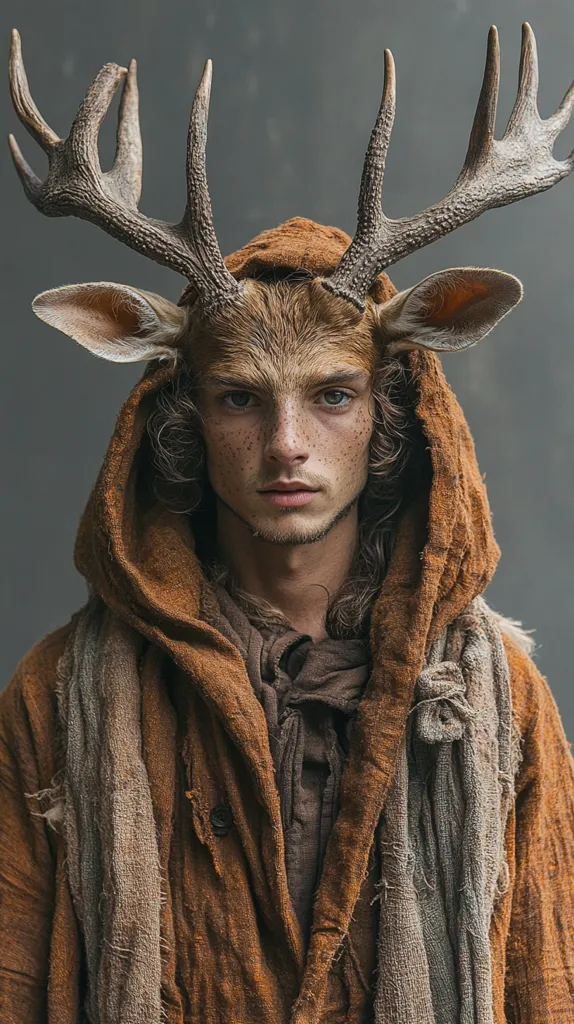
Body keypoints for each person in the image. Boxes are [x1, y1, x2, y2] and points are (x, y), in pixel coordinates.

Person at [2, 22, 573, 1024]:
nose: (286, 444)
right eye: (238, 399)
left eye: (333, 397)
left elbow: (543, 982)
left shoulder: (500, 703)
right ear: (186, 410)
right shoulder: (58, 697)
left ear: (390, 408)